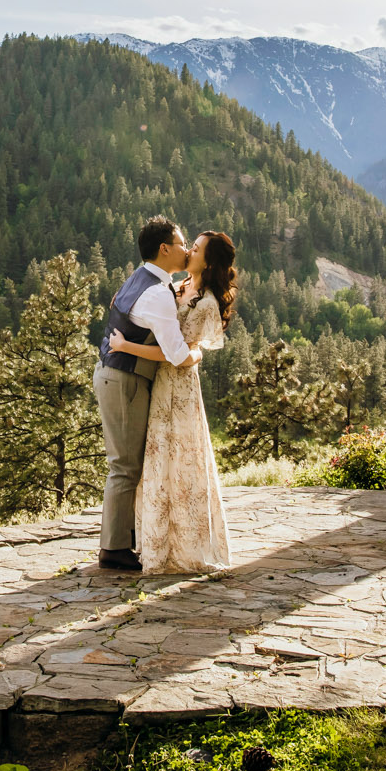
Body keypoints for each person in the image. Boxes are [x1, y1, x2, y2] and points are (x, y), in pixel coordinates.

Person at [102, 230, 235, 573]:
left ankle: (178, 542)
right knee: (152, 461)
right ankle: (150, 539)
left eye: (196, 247)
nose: (189, 249)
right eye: (187, 244)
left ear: (209, 260)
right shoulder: (172, 290)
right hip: (156, 380)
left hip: (177, 385)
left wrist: (127, 347)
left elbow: (182, 353)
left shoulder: (205, 302)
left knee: (180, 460)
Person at [93, 216, 195, 571]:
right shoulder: (155, 293)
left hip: (116, 375)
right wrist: (197, 352)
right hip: (125, 380)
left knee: (127, 464)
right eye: (182, 244)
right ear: (165, 248)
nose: (186, 249)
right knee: (124, 466)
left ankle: (125, 539)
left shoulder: (142, 279)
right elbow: (177, 354)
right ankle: (114, 549)